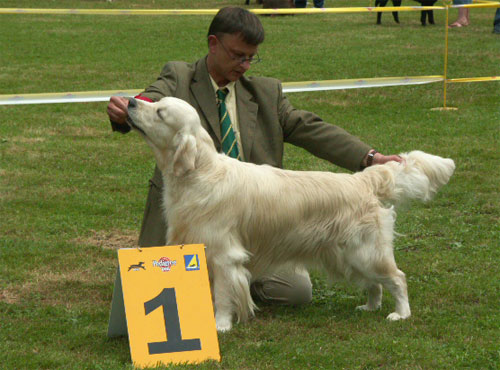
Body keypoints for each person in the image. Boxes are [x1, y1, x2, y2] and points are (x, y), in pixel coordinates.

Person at [107, 6, 402, 306]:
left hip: (256, 228)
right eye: (238, 55)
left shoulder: (266, 93)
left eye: (251, 57)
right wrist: (130, 111)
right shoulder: (180, 78)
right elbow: (153, 97)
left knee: (296, 292)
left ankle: (237, 276)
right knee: (163, 288)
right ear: (213, 44)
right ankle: (214, 280)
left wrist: (369, 157)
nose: (245, 65)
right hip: (189, 214)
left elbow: (311, 129)